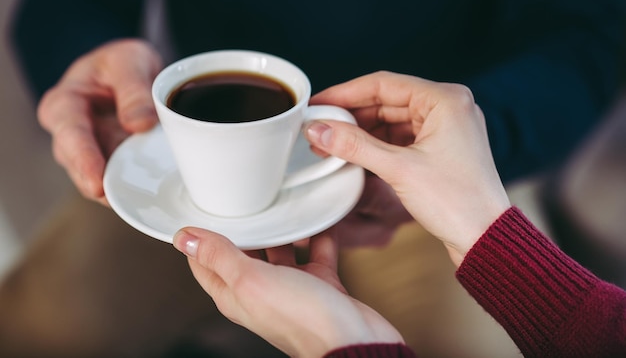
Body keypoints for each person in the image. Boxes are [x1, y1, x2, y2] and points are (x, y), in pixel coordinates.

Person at [3, 0, 626, 356]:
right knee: (30, 330)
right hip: (179, 170)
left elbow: (582, 34)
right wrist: (90, 69)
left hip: (432, 178)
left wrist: (480, 143)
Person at [172, 72, 626, 358]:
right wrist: (484, 229)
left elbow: (589, 38)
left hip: (433, 173)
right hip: (178, 181)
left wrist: (340, 344)